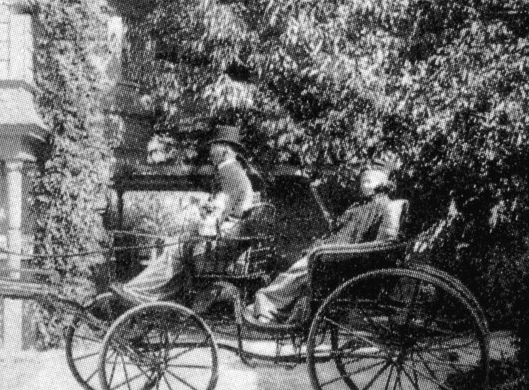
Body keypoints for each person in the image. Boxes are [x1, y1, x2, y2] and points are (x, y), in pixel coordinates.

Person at [242, 156, 399, 327]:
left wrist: (326, 247)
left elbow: (355, 238)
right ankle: (275, 308)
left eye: (369, 182)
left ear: (382, 183)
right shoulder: (365, 205)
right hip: (344, 253)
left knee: (301, 268)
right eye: (363, 181)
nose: (364, 185)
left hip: (347, 258)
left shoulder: (377, 207)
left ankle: (265, 303)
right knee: (299, 264)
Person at [111, 125, 257, 305]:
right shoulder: (237, 173)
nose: (210, 151)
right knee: (177, 248)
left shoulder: (230, 172)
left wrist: (203, 217)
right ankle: (150, 298)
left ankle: (136, 292)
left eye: (214, 146)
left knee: (174, 250)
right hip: (223, 246)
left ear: (225, 150)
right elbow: (227, 210)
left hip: (218, 249)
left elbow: (222, 216)